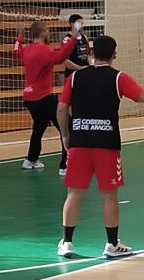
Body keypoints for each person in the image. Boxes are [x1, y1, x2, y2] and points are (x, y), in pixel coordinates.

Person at [55, 35, 144, 259]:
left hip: (80, 143)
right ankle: (111, 245)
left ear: (91, 53)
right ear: (114, 55)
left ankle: (67, 242)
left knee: (74, 193)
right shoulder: (118, 78)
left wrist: (65, 135)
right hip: (107, 145)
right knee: (109, 195)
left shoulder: (74, 78)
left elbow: (62, 109)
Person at [14, 21, 75, 171]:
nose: (49, 33)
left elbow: (17, 52)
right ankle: (65, 166)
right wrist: (73, 35)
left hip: (29, 99)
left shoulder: (27, 50)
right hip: (43, 97)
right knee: (66, 128)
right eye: (47, 31)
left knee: (39, 126)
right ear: (42, 33)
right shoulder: (45, 50)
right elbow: (61, 56)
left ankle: (31, 159)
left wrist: (19, 37)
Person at [58, 14, 92, 176]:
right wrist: (80, 69)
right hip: (72, 79)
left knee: (82, 117)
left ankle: (81, 159)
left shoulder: (84, 38)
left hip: (84, 80)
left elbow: (88, 58)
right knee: (70, 119)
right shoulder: (67, 39)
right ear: (72, 23)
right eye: (79, 22)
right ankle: (65, 163)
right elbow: (64, 60)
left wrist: (92, 68)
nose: (82, 25)